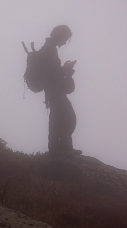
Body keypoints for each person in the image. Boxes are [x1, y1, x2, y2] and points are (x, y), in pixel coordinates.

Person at [40, 25, 82, 157]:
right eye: (65, 39)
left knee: (60, 117)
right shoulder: (49, 50)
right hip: (54, 90)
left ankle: (60, 148)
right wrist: (66, 69)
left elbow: (52, 71)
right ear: (60, 36)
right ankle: (59, 149)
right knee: (66, 118)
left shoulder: (49, 48)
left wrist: (64, 68)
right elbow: (53, 74)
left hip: (53, 90)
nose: (65, 42)